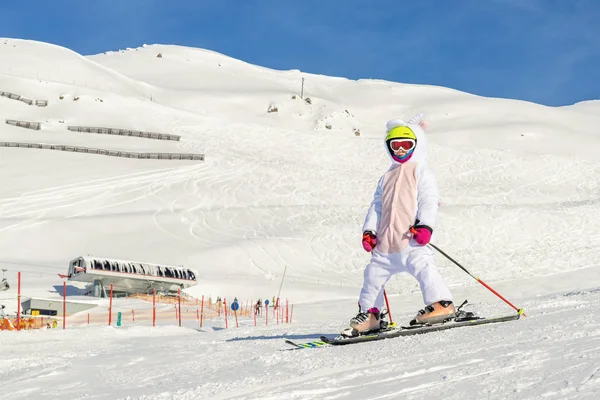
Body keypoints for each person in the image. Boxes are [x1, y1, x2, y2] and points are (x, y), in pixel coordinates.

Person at [350, 117, 455, 333]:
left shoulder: (421, 171)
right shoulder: (386, 176)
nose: (399, 150)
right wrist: (369, 231)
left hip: (411, 240)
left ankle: (442, 304)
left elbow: (428, 200)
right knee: (372, 277)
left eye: (406, 145)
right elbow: (377, 206)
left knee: (424, 268)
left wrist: (425, 226)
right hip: (385, 245)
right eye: (394, 145)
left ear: (417, 145)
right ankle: (371, 315)